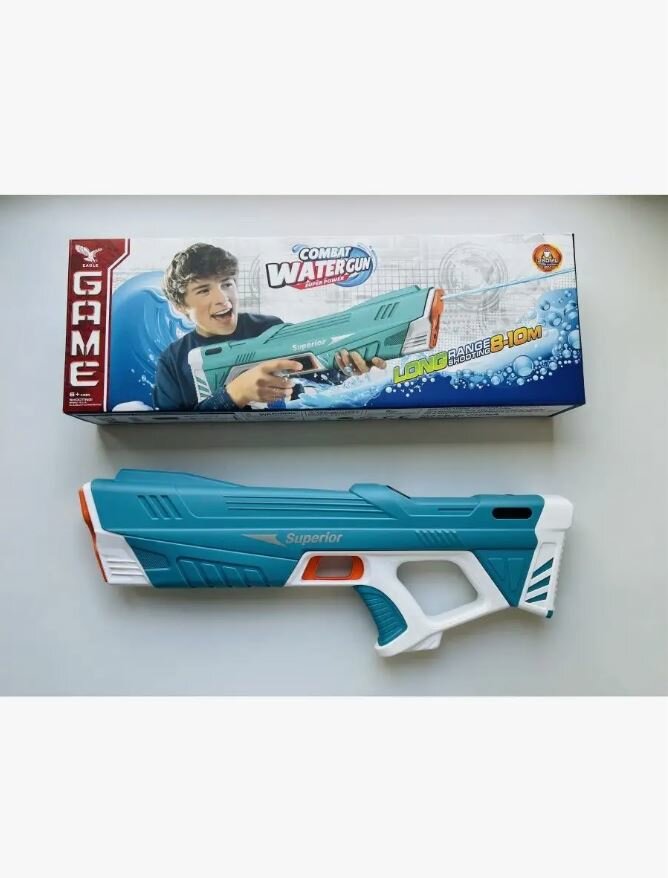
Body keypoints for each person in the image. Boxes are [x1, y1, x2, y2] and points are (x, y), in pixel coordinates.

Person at [153, 242, 385, 411]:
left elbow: (316, 377)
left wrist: (344, 369)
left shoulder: (270, 329)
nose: (223, 299)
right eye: (204, 290)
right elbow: (169, 430)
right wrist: (233, 395)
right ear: (180, 306)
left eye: (226, 284)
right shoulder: (172, 361)